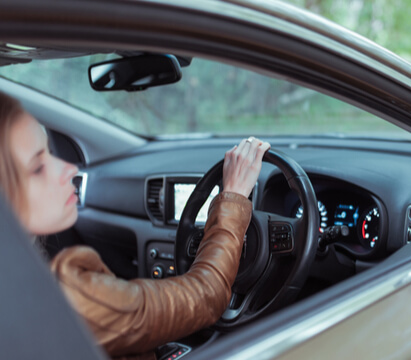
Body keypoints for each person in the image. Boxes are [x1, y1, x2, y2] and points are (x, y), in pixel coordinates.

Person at [0, 91, 270, 359]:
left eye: (50, 151)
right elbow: (207, 294)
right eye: (38, 168)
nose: (69, 169)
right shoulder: (66, 298)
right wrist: (233, 196)